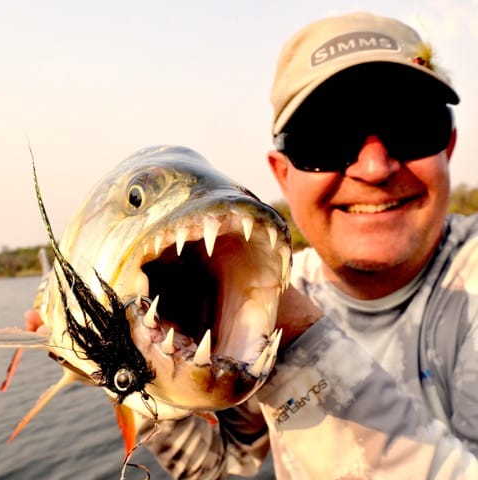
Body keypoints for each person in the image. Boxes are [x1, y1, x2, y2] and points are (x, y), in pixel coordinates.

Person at [138, 11, 478, 479]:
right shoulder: (265, 289)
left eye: (412, 126)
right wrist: (135, 364)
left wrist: (299, 342)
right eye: (328, 138)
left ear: (448, 149)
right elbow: (220, 464)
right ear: (282, 174)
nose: (375, 169)